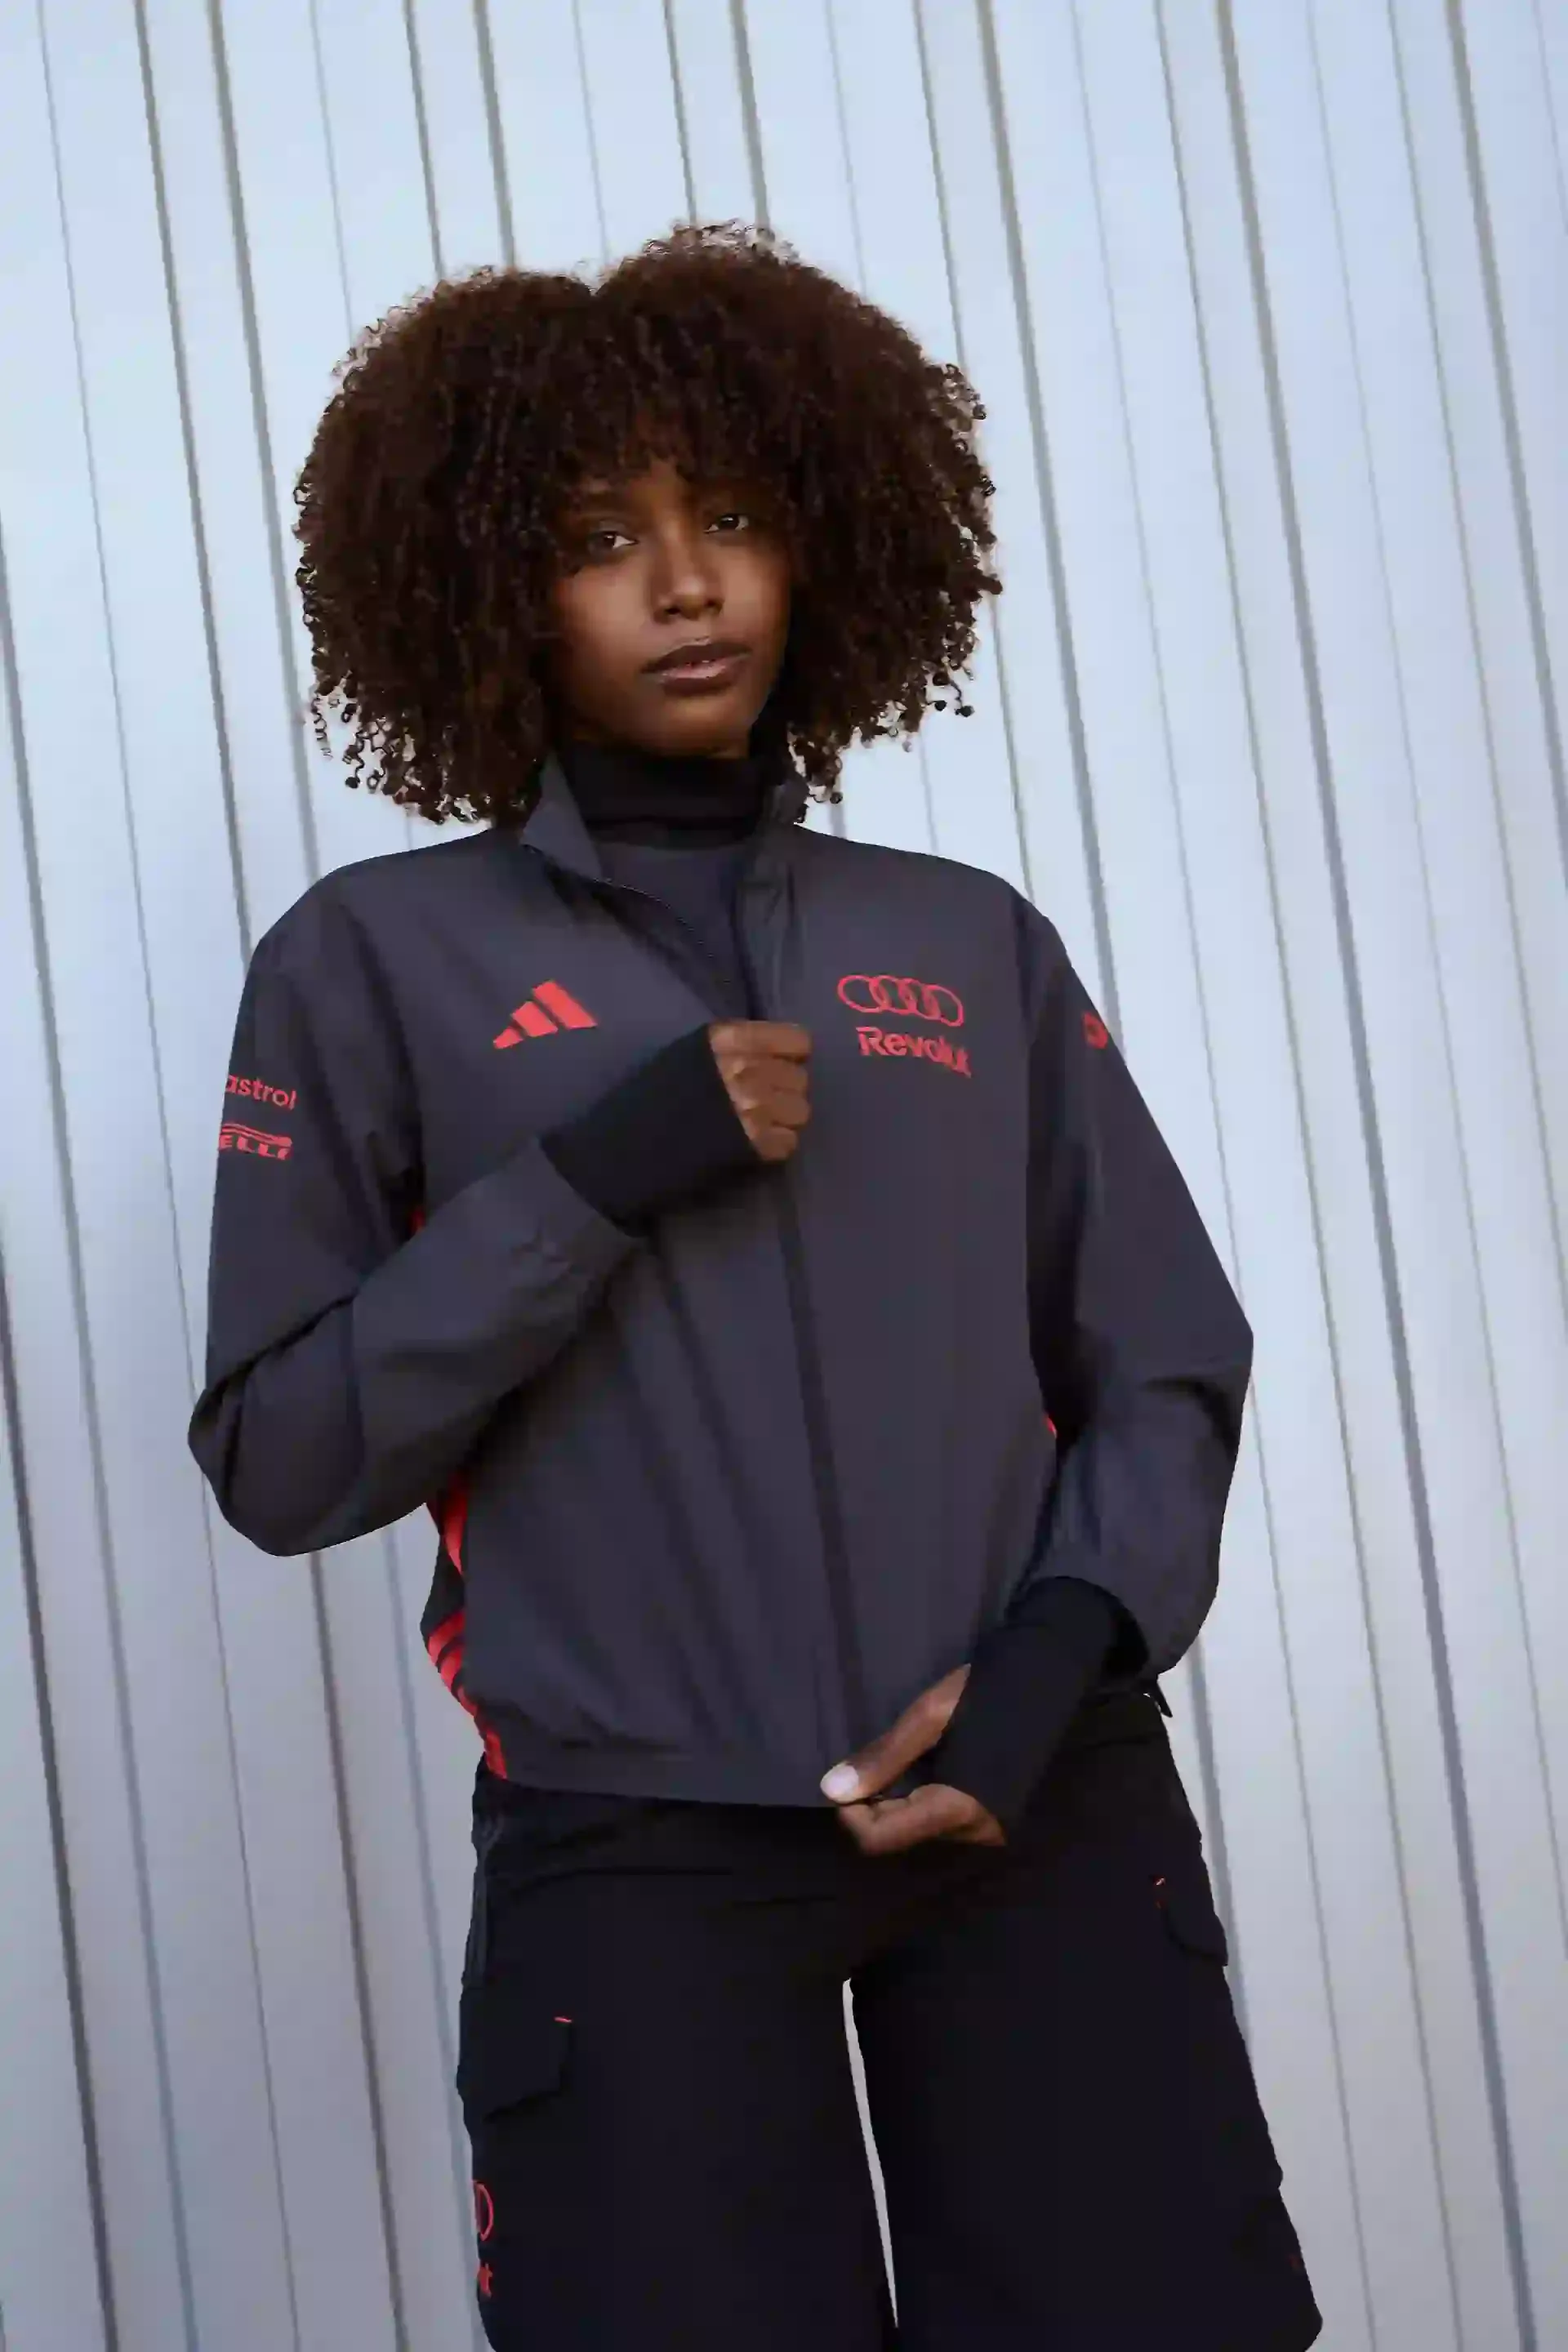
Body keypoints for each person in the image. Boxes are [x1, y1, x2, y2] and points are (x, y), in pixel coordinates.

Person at [190, 225, 1321, 2350]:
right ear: (489, 585)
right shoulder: (367, 965)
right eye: (603, 535)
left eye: (733, 519)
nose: (685, 582)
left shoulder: (967, 940)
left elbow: (1166, 1355)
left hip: (1034, 1799)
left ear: (827, 544)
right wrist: (592, 1180)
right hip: (636, 1856)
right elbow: (280, 1450)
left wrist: (1068, 1648)